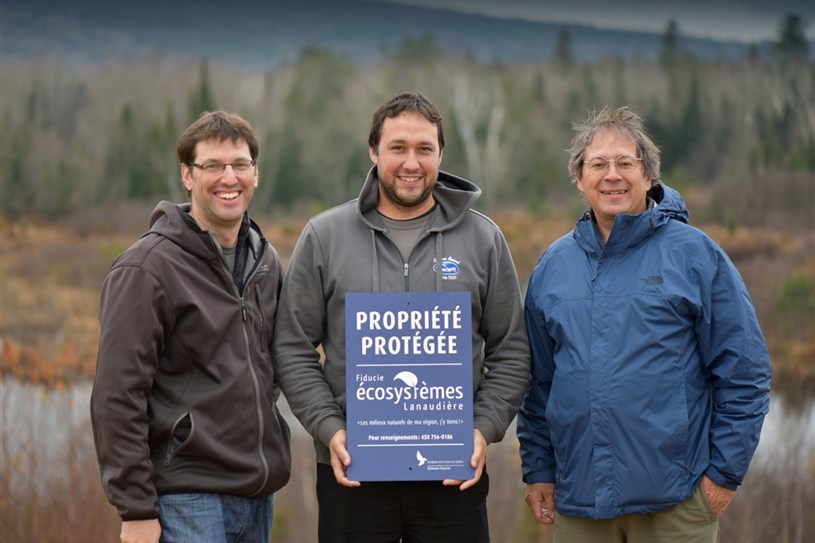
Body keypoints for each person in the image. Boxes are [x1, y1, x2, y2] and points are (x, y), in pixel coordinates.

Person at [272, 90, 530, 542]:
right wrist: (330, 429)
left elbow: (512, 352)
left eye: (424, 149)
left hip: (452, 473)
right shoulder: (325, 237)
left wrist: (482, 429)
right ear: (374, 152)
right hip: (352, 473)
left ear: (440, 155)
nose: (411, 163)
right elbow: (292, 348)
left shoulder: (483, 239)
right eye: (398, 148)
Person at [517, 106, 772, 542]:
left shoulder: (695, 255)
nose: (612, 175)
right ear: (579, 178)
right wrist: (539, 469)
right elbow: (539, 383)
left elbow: (745, 372)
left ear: (649, 175)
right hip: (579, 506)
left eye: (625, 163)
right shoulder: (553, 266)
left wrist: (723, 476)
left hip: (676, 505)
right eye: (598, 164)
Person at [91, 111, 291, 543]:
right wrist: (136, 508)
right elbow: (117, 395)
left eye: (240, 164)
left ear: (256, 173)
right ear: (187, 175)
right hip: (185, 499)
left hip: (257, 495)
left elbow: (277, 364)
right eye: (213, 165)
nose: (229, 178)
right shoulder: (146, 269)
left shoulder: (266, 262)